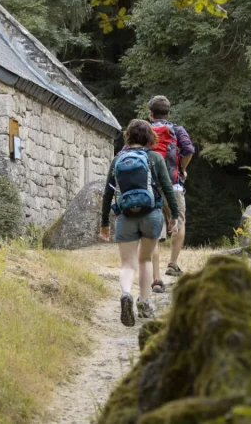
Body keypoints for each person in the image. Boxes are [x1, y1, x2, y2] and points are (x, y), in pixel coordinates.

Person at [99, 119, 180, 327]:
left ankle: (126, 293)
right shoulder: (154, 158)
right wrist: (175, 215)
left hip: (125, 216)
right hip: (151, 214)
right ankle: (143, 303)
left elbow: (108, 193)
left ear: (128, 137)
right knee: (145, 260)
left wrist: (104, 223)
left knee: (128, 264)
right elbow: (167, 188)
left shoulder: (118, 160)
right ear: (149, 137)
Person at [148, 95, 195, 279]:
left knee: (152, 227)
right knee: (178, 223)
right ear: (168, 113)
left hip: (151, 185)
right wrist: (182, 168)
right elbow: (189, 150)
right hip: (174, 183)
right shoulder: (177, 129)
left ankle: (154, 273)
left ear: (150, 113)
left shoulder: (145, 130)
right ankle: (172, 264)